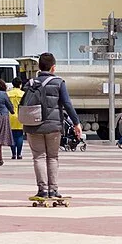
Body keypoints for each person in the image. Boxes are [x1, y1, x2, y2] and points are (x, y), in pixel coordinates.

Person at [21, 53, 83, 200]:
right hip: (53, 126)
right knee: (53, 157)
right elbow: (67, 104)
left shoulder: (30, 83)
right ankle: (53, 190)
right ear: (53, 67)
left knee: (38, 157)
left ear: (39, 67)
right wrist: (76, 123)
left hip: (33, 125)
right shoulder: (59, 82)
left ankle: (42, 190)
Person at [7, 77, 26, 160]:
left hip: (10, 115)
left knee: (12, 136)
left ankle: (13, 154)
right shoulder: (23, 94)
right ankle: (19, 154)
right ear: (20, 85)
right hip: (21, 115)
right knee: (19, 135)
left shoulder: (8, 94)